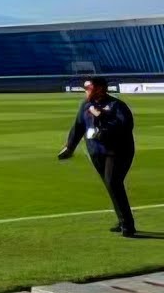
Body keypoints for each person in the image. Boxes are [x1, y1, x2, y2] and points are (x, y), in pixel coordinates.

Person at [58, 77, 136, 237]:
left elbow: (125, 125)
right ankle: (123, 221)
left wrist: (102, 120)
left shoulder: (116, 105)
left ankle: (128, 225)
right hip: (96, 152)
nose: (86, 91)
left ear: (100, 89)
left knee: (113, 182)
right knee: (112, 186)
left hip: (117, 152)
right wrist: (69, 148)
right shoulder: (86, 106)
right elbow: (78, 127)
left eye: (89, 88)